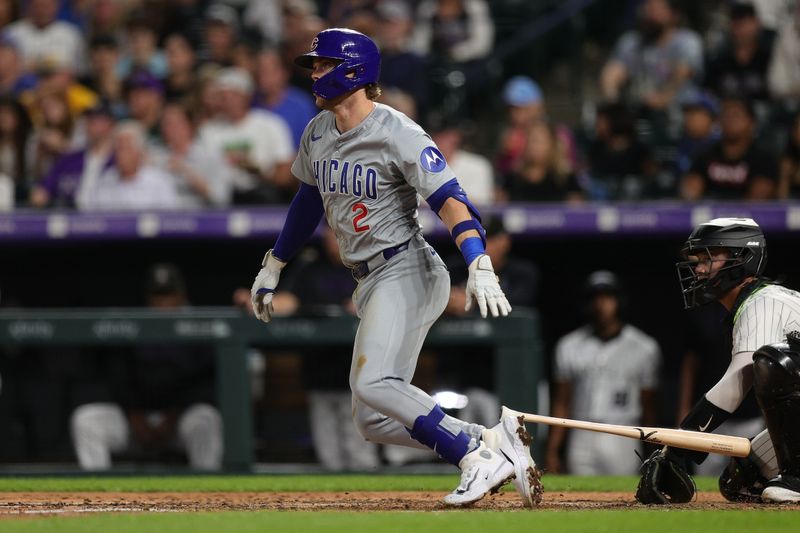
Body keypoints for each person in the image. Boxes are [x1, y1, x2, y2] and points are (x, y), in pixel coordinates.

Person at [249, 28, 540, 507]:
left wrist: (478, 261)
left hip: (406, 266)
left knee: (374, 383)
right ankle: (490, 440)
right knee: (373, 419)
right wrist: (275, 262)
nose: (315, 73)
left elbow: (451, 200)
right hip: (367, 278)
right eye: (315, 65)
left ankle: (473, 457)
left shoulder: (397, 131)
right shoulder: (318, 130)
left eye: (323, 64)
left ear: (355, 71)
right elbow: (307, 200)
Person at [635, 217, 800, 504]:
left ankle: (796, 479)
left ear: (742, 258)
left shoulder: (765, 302)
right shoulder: (752, 304)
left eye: (708, 258)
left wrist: (675, 448)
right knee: (741, 481)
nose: (698, 268)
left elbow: (737, 383)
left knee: (772, 363)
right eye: (698, 259)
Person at [70, 263, 223, 471]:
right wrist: (134, 415)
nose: (163, 303)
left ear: (181, 296)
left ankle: (208, 495)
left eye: (168, 295)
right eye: (157, 296)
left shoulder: (199, 329)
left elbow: (204, 383)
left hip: (180, 422)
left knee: (206, 418)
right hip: (135, 422)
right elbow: (119, 377)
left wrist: (173, 415)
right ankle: (97, 497)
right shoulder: (134, 326)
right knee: (86, 420)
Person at [545, 270, 661, 475]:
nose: (601, 304)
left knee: (625, 499)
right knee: (579, 497)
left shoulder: (644, 347)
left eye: (607, 297)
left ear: (619, 301)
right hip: (582, 431)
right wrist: (553, 449)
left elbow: (648, 405)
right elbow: (562, 401)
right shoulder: (569, 345)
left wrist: (652, 451)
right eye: (595, 298)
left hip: (623, 431)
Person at [679, 96, 778, 201]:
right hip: (710, 215)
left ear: (752, 123)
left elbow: (758, 198)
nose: (730, 121)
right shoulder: (705, 154)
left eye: (736, 116)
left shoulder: (763, 158)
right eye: (725, 116)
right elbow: (690, 191)